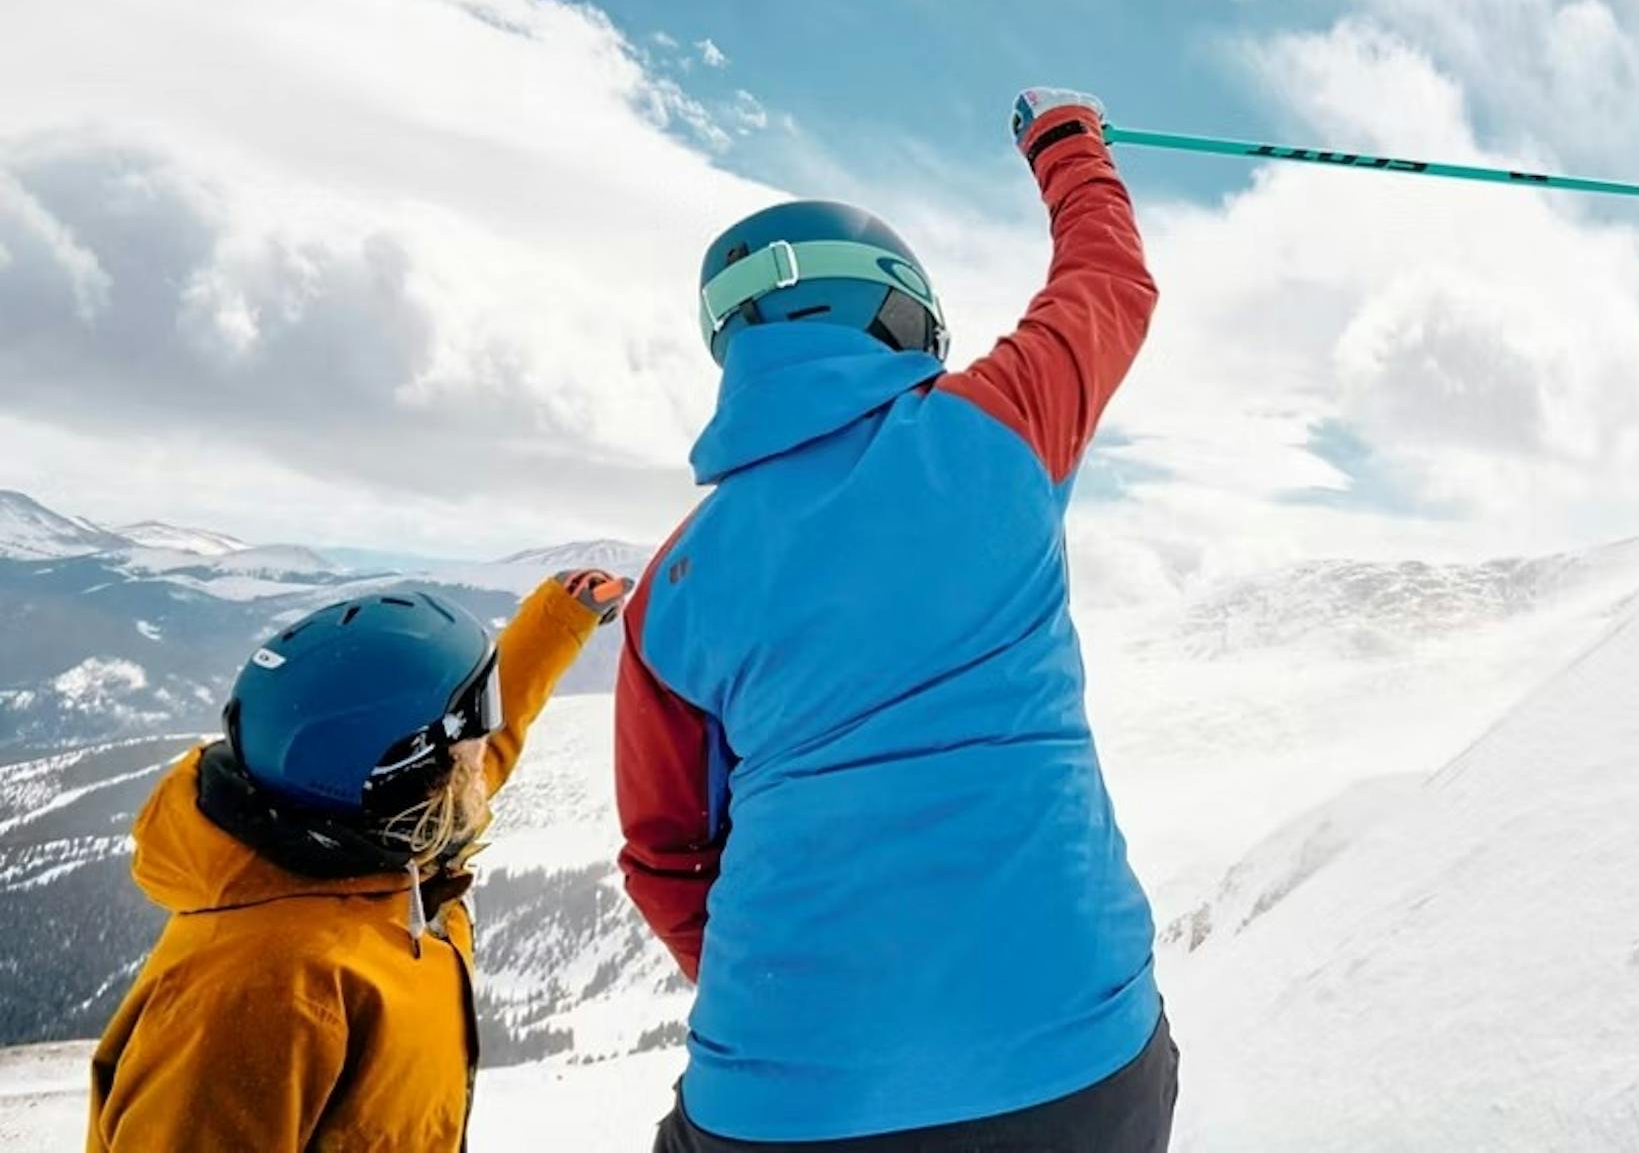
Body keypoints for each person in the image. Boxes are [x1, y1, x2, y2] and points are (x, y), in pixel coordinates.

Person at [617, 88, 1176, 1153]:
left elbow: (666, 856)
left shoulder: (672, 588)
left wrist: (802, 1006)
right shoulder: (995, 425)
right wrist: (1064, 137)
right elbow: (1106, 279)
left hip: (783, 1104)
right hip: (1079, 1058)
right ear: (900, 311)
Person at [87, 566, 630, 1151]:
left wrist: (558, 622)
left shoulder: (369, 830)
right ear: (405, 776)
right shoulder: (265, 993)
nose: (484, 749)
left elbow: (475, 760)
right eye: (468, 739)